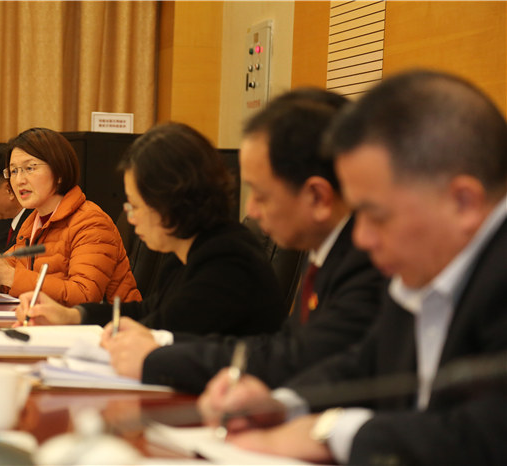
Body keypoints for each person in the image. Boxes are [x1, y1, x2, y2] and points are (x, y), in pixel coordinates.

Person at [198, 70, 507, 465]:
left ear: (463, 202)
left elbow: (488, 437)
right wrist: (279, 405)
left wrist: (328, 432)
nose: (360, 238)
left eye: (375, 215)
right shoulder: (422, 268)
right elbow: (365, 364)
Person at [99, 90, 386, 391]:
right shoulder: (326, 254)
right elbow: (286, 346)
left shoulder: (368, 260)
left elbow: (302, 360)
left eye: (261, 195)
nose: (251, 211)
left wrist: (158, 357)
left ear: (317, 196)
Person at [14, 122, 287, 336]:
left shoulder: (226, 261)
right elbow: (150, 311)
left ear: (172, 200)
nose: (131, 220)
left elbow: (183, 341)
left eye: (135, 206)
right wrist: (74, 316)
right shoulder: (188, 252)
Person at [0, 127, 141, 305]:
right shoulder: (33, 222)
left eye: (29, 168)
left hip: (108, 329)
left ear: (59, 172)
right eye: (14, 171)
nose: (19, 180)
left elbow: (84, 295)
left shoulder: (90, 222)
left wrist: (11, 276)